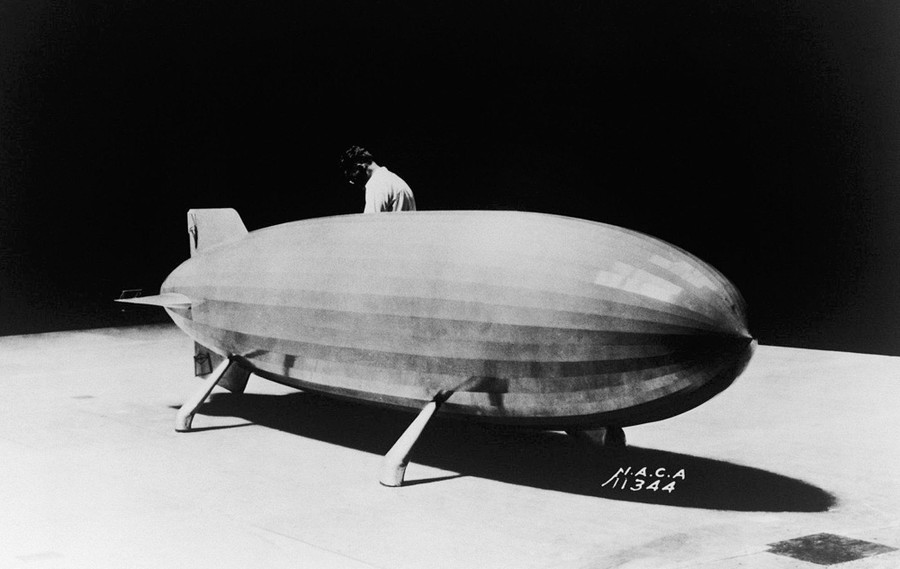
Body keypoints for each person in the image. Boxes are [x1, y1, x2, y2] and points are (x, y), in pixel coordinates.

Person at [341, 146, 416, 213]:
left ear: (360, 167)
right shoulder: (395, 180)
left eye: (351, 177)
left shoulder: (376, 184)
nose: (352, 182)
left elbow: (370, 222)